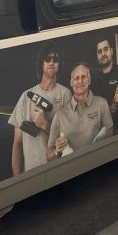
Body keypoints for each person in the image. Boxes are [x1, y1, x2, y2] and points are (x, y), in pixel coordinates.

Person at [8, 43, 71, 176]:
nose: (51, 62)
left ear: (60, 65)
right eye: (47, 59)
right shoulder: (25, 97)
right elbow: (17, 143)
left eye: (56, 59)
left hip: (57, 171)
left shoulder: (65, 95)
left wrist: (45, 124)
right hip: (30, 172)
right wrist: (17, 178)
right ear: (41, 63)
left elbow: (70, 139)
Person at [47, 62, 114, 161]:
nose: (80, 81)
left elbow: (110, 138)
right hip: (71, 170)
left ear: (89, 80)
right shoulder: (60, 115)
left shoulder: (102, 104)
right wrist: (57, 150)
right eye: (76, 78)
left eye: (83, 77)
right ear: (71, 82)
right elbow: (48, 156)